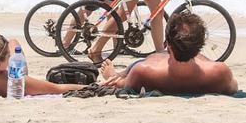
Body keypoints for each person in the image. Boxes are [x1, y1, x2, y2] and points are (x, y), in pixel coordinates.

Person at [99, 12, 238, 95]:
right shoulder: (220, 72)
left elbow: (122, 84)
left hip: (156, 68)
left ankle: (119, 71)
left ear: (168, 44)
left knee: (154, 58)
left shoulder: (142, 72)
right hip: (196, 69)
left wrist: (110, 75)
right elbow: (234, 87)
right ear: (200, 46)